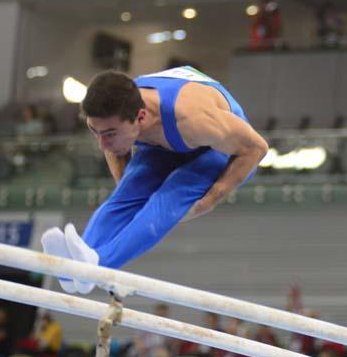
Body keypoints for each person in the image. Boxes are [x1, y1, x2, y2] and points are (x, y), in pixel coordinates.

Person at [40, 67, 268, 293]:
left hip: (226, 153)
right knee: (126, 192)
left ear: (140, 117)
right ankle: (73, 271)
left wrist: (212, 197)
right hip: (167, 143)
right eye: (94, 131)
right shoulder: (116, 109)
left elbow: (257, 148)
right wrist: (127, 188)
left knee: (168, 197)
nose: (101, 144)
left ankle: (97, 265)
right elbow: (113, 148)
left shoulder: (194, 118)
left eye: (109, 134)